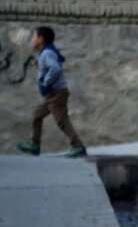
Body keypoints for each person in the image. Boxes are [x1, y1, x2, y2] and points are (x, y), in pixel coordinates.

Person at [16, 26, 87, 158]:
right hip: (51, 95)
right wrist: (39, 66)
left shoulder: (47, 53)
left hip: (56, 93)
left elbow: (55, 69)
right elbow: (51, 66)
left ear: (41, 39)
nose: (32, 39)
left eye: (34, 36)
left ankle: (78, 146)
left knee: (62, 120)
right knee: (37, 115)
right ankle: (34, 145)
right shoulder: (46, 52)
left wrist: (45, 82)